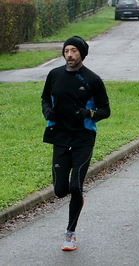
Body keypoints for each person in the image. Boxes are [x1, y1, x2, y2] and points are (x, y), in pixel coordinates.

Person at [41, 36, 111, 251]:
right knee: (61, 190)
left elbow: (105, 110)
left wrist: (89, 113)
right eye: (66, 51)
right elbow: (44, 98)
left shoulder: (92, 79)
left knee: (75, 186)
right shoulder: (54, 75)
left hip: (83, 138)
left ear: (81, 53)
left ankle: (69, 234)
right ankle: (77, 198)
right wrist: (47, 111)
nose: (69, 55)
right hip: (60, 137)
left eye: (73, 51)